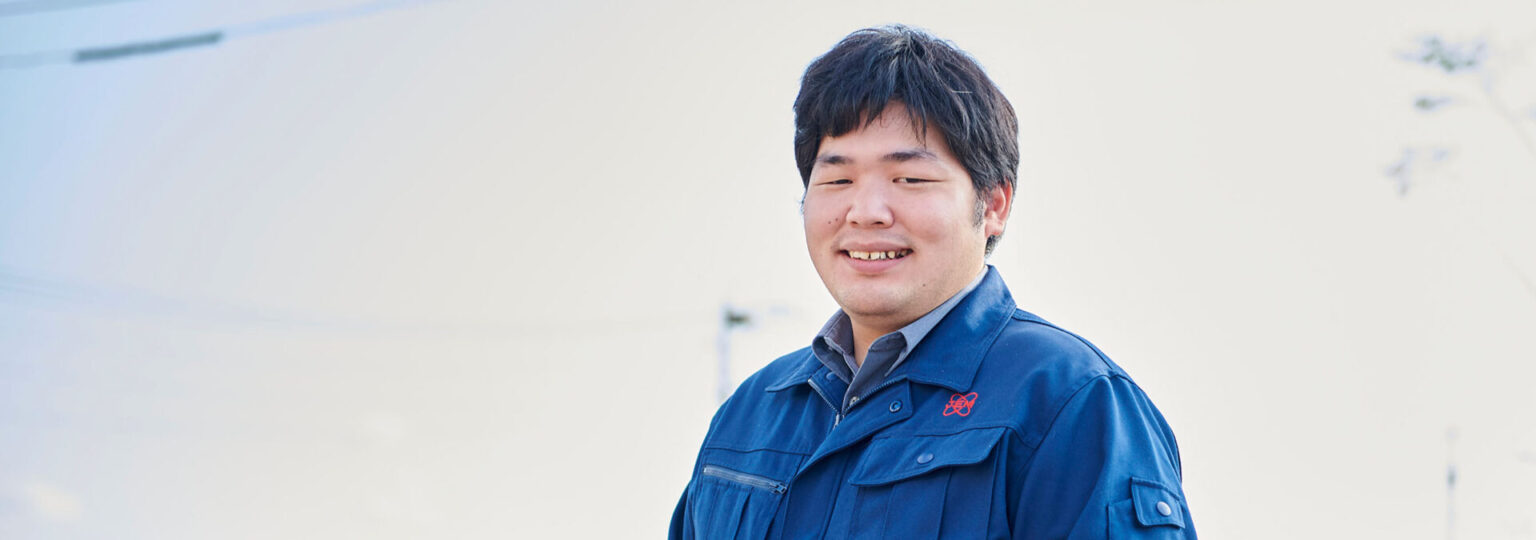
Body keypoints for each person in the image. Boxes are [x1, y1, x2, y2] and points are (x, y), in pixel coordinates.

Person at [670, 25, 1195, 539]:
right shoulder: (748, 416)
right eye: (838, 178)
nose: (866, 211)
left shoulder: (1071, 402)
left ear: (994, 204)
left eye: (910, 179)